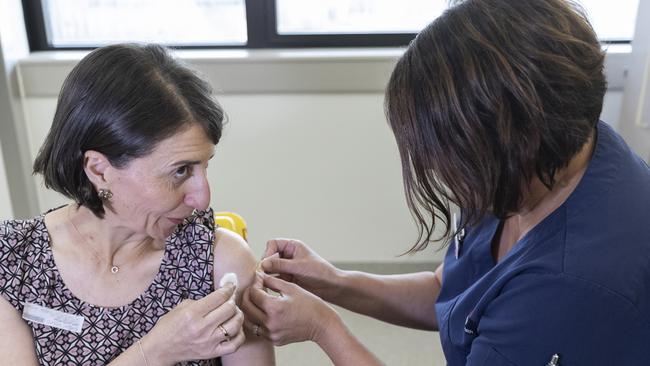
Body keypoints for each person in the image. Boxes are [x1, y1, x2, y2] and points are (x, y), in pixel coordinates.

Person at [241, 0, 650, 365]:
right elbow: (453, 289)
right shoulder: (556, 154)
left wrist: (323, 328)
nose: (442, 172)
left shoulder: (568, 289)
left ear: (514, 141)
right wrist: (335, 281)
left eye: (455, 156)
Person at [0, 44, 275, 365]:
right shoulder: (12, 262)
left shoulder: (220, 263)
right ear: (99, 170)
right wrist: (157, 351)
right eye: (180, 170)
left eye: (204, 166)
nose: (203, 198)